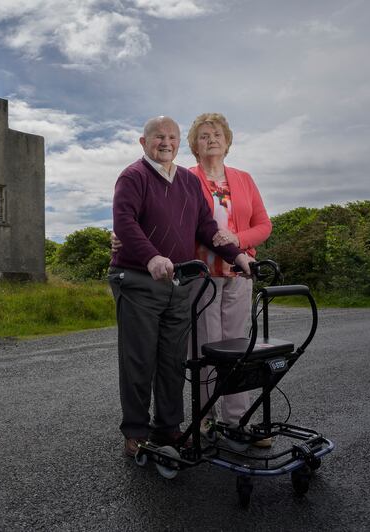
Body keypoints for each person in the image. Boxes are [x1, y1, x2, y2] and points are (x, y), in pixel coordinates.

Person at [109, 116, 254, 458]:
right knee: (139, 358)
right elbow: (124, 223)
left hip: (178, 281)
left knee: (173, 360)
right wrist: (150, 258)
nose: (166, 142)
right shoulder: (133, 177)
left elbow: (206, 226)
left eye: (171, 137)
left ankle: (169, 429)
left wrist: (238, 255)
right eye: (158, 136)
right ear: (143, 142)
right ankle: (135, 433)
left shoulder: (188, 181)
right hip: (138, 280)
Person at [185, 112, 273, 446]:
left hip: (239, 273)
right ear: (195, 145)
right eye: (204, 135)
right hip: (202, 278)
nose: (211, 139)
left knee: (238, 347)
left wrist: (235, 240)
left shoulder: (244, 179)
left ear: (227, 141)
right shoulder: (186, 179)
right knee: (206, 348)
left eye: (217, 134)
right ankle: (206, 418)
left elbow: (264, 225)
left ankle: (238, 420)